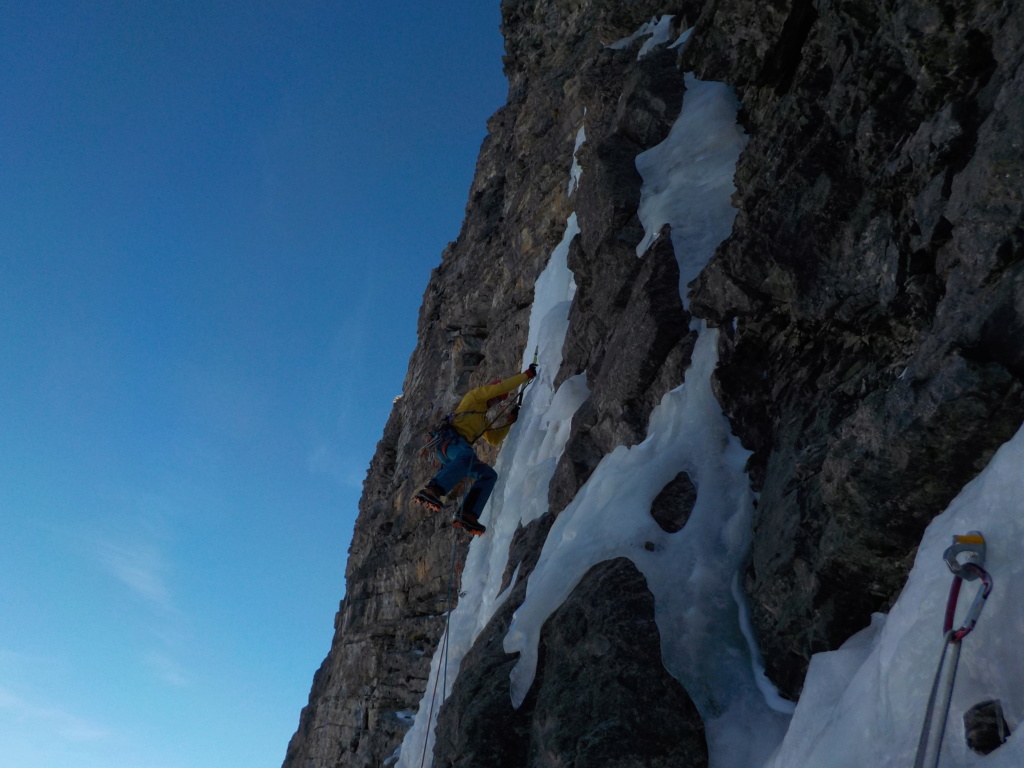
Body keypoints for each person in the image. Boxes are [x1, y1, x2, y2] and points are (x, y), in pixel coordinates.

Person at [414, 364, 537, 534]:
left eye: (498, 401)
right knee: (467, 455)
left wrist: (510, 420)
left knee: (488, 475)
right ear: (491, 391)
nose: (495, 402)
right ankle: (433, 489)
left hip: (457, 452)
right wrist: (526, 375)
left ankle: (468, 513)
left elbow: (494, 439)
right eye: (496, 398)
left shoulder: (482, 420)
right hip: (450, 441)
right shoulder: (473, 398)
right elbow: (501, 387)